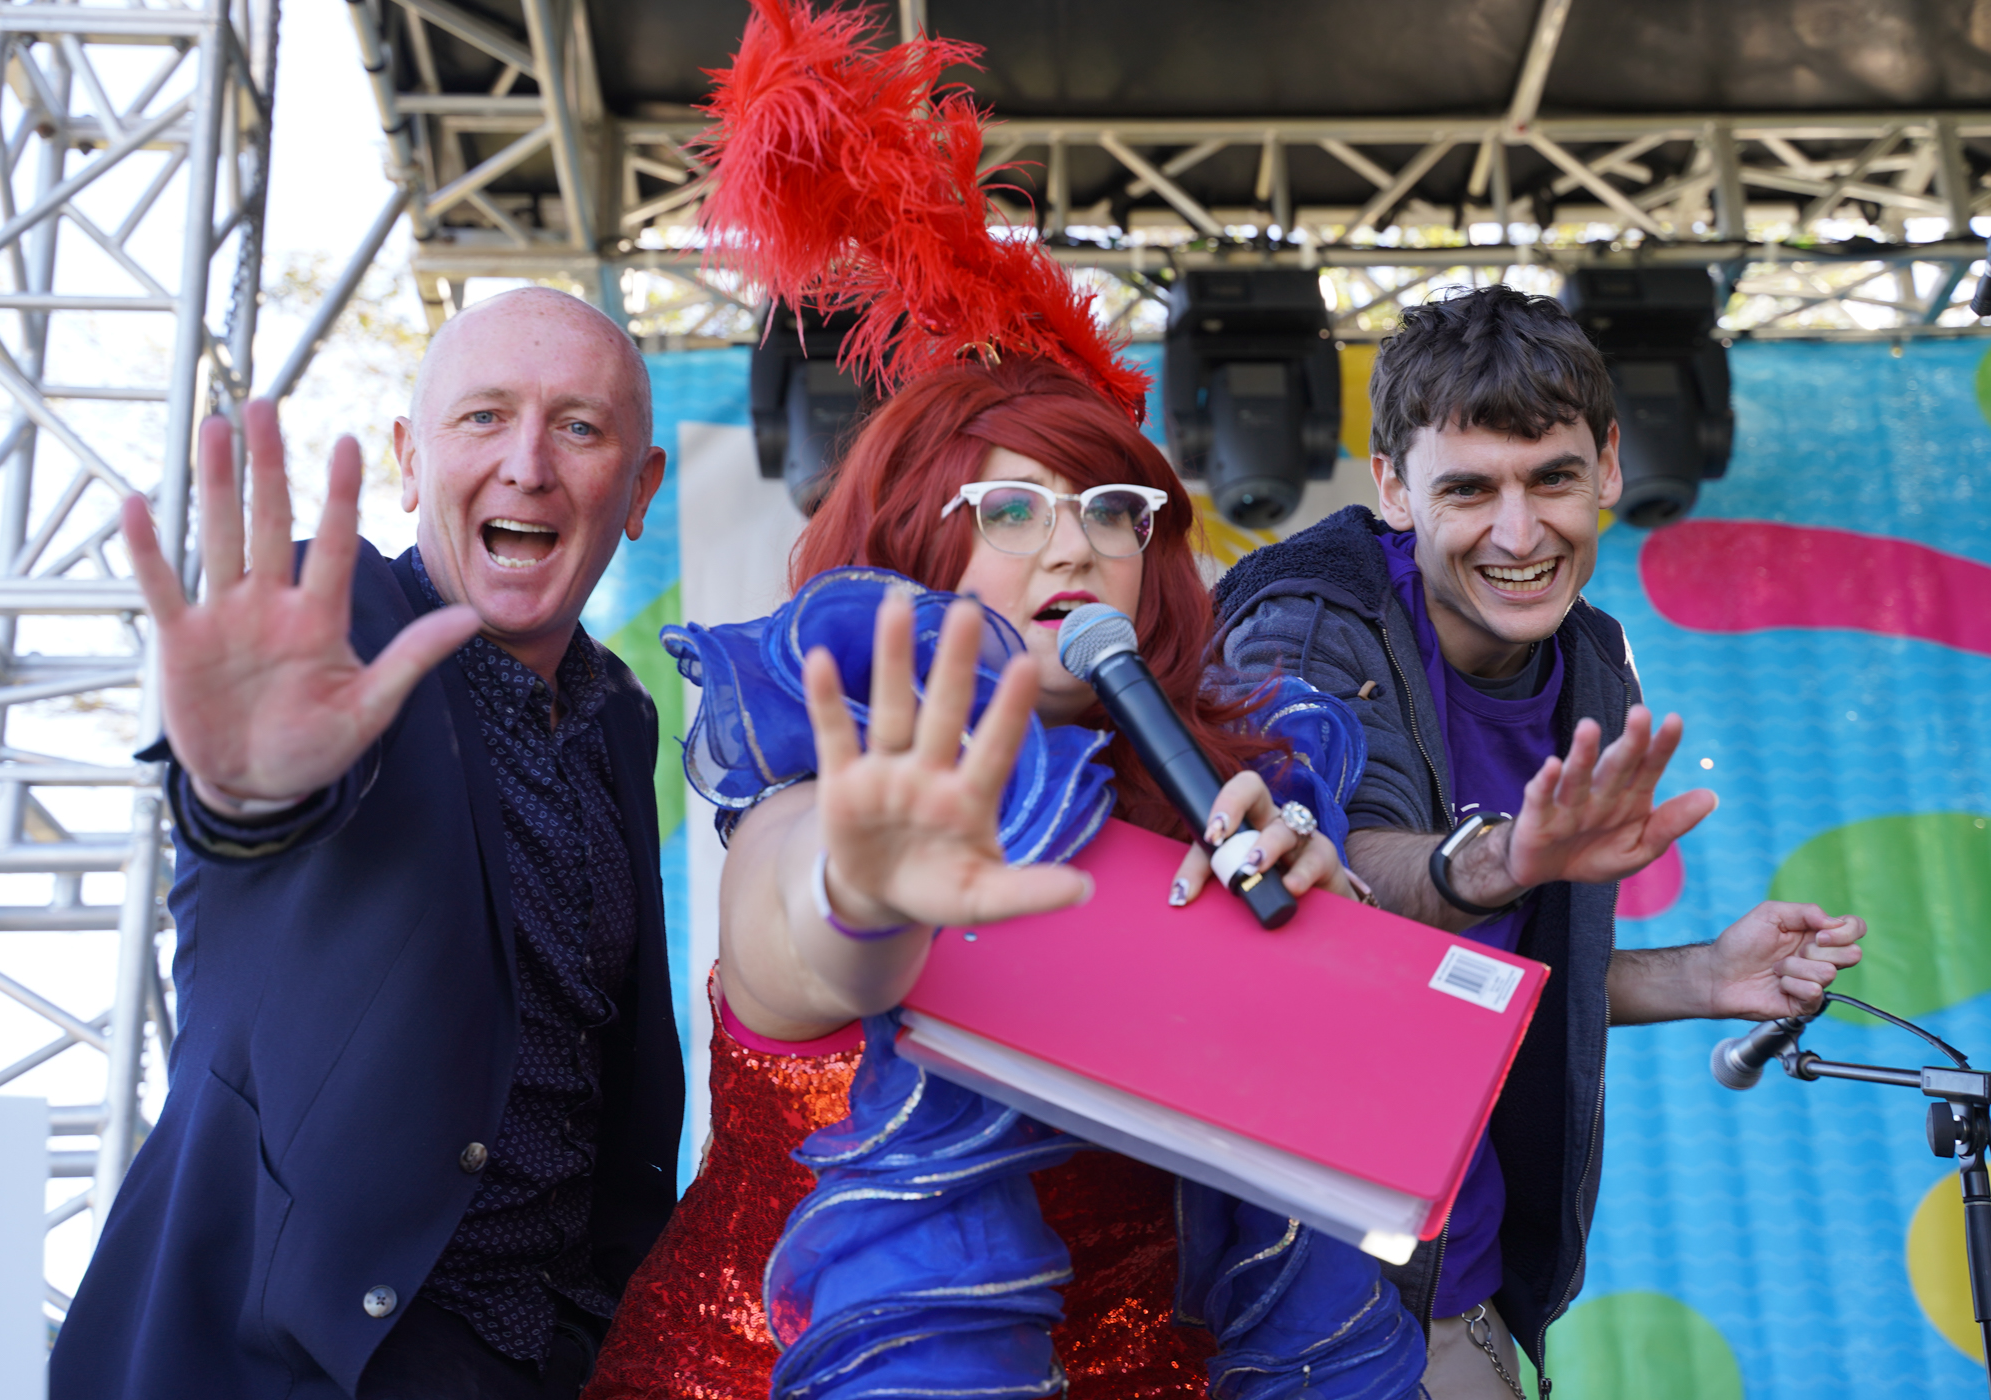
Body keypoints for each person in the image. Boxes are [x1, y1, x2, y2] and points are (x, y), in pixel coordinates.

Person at [586, 355, 1425, 1400]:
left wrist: (1320, 956)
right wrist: (863, 895)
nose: (1077, 543)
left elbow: (1356, 1132)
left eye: (1113, 511)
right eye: (1013, 508)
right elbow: (805, 925)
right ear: (912, 538)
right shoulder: (817, 800)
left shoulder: (1228, 814)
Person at [1213, 284, 1868, 1399]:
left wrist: (1703, 973)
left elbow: (1482, 980)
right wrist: (1502, 859)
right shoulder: (1304, 628)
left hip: (1448, 1269)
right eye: (1469, 489)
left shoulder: (1595, 663)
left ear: (1608, 466)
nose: (1520, 535)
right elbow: (1340, 891)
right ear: (1393, 490)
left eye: (1552, 478)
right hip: (1282, 1285)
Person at [51, 288, 682, 1400]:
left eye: (579, 427)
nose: (528, 463)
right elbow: (248, 806)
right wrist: (245, 786)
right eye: (483, 416)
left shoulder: (621, 716)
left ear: (641, 490)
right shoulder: (328, 627)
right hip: (299, 1362)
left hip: (547, 1360)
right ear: (408, 458)